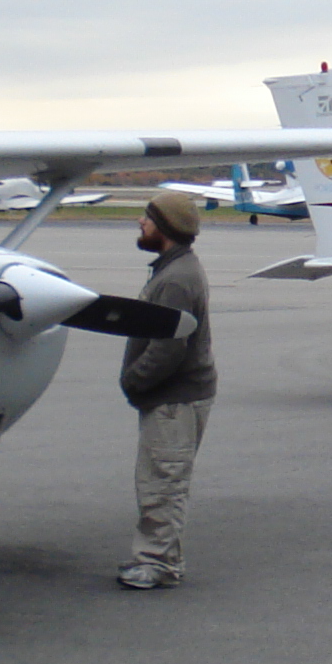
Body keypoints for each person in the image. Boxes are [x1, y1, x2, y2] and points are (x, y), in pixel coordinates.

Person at [117, 192, 217, 590]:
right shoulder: (175, 270)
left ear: (166, 227)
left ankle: (158, 564)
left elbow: (169, 347)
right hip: (174, 396)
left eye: (147, 217)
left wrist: (133, 381)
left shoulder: (175, 279)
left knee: (164, 480)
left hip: (175, 400)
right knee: (160, 477)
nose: (141, 223)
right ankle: (158, 557)